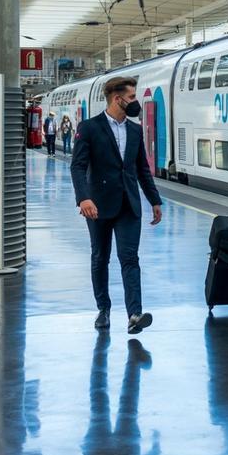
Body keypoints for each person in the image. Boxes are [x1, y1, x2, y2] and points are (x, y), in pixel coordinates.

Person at [71, 76, 163, 334]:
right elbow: (77, 166)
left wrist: (154, 200)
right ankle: (104, 309)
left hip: (128, 205)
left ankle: (134, 314)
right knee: (100, 257)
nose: (136, 102)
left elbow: (142, 169)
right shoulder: (89, 127)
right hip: (97, 205)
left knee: (129, 258)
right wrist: (84, 197)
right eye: (132, 97)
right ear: (116, 98)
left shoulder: (134, 130)